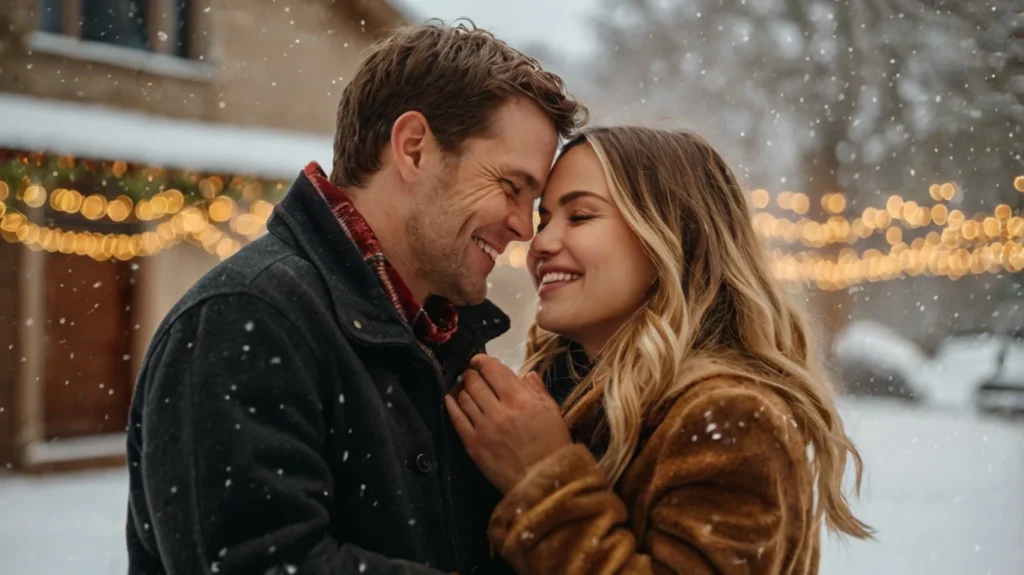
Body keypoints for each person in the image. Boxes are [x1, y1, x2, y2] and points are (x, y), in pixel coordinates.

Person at [125, 22, 587, 575]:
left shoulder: (446, 344)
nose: (522, 228)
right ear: (414, 148)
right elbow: (262, 563)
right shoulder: (244, 318)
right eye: (511, 187)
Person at [446, 126, 873, 574]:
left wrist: (544, 480)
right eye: (544, 220)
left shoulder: (730, 418)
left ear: (669, 236)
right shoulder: (556, 394)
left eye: (580, 216)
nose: (541, 243)